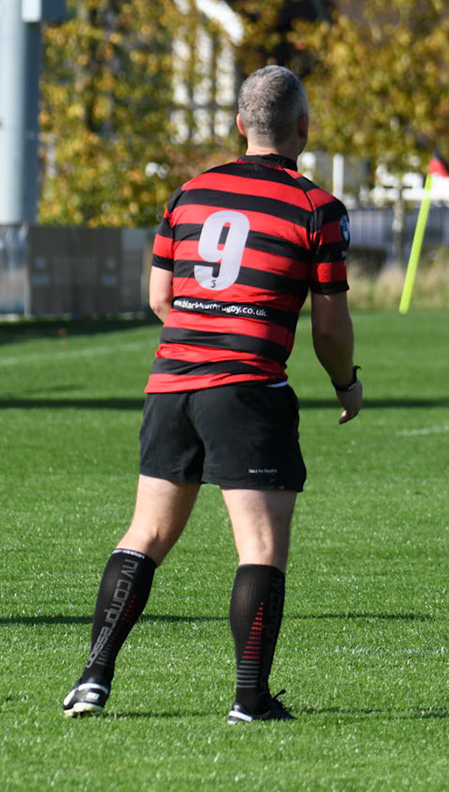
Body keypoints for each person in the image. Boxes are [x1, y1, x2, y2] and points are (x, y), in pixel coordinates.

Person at [61, 66, 361, 723]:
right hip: (248, 391)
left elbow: (160, 298)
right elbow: (331, 328)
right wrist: (346, 383)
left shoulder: (188, 195)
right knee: (259, 545)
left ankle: (92, 678)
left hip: (171, 385)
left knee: (147, 532)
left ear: (238, 126)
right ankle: (250, 698)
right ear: (304, 129)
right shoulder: (317, 209)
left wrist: (202, 338)